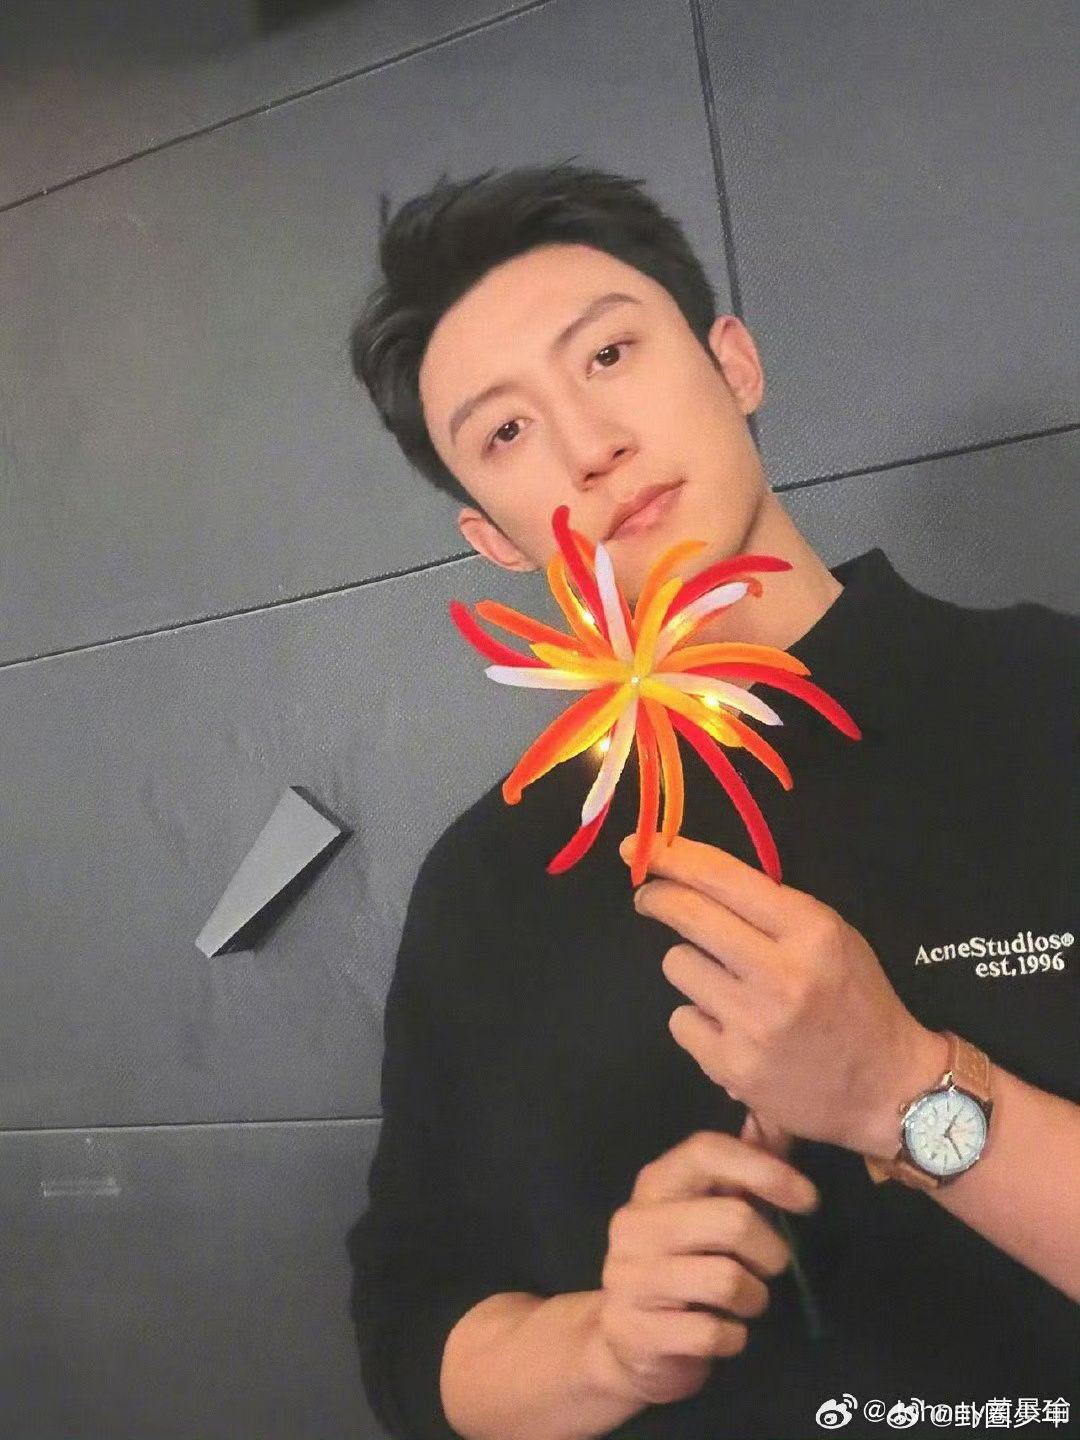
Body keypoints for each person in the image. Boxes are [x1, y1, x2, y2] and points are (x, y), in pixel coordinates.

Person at [344, 161, 1079, 1440]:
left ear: (732, 363)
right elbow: (413, 1326)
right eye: (505, 433)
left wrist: (904, 1094)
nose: (590, 445)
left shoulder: (1050, 698)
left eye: (609, 354)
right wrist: (604, 1349)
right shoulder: (487, 882)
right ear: (495, 540)